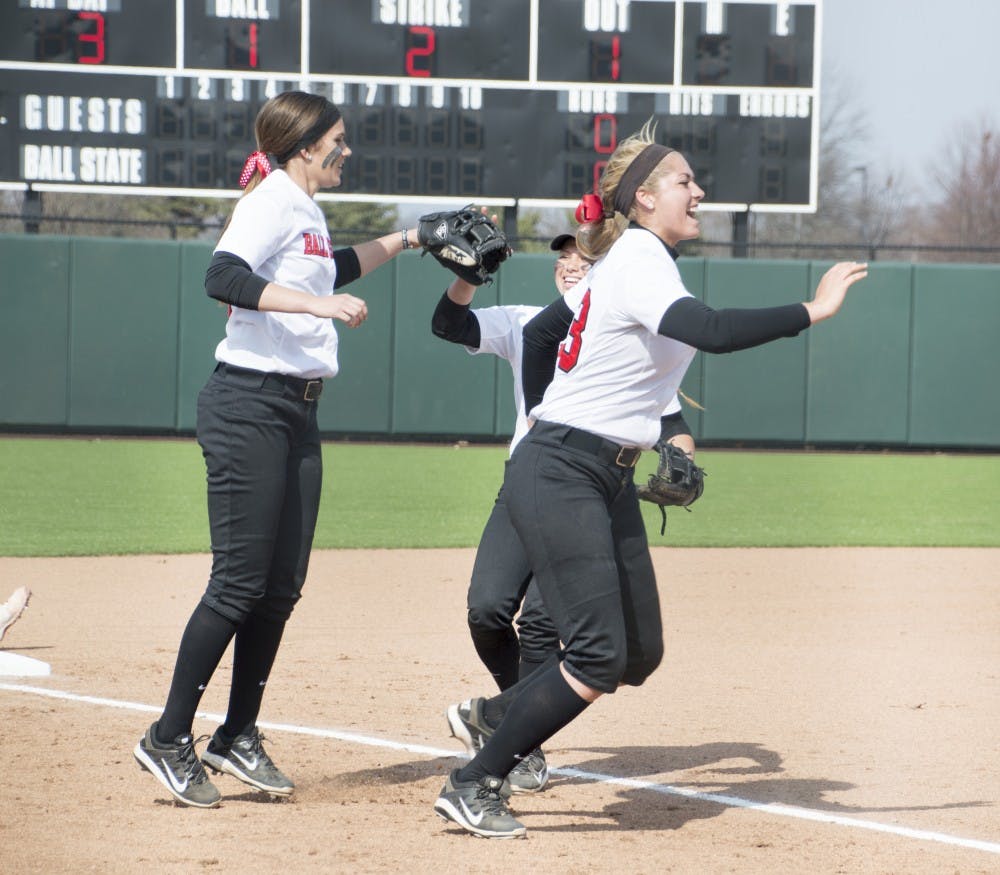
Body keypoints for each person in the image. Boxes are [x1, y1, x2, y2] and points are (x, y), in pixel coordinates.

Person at [433, 120, 867, 838]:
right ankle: (475, 780)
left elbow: (564, 340)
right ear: (641, 199)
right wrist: (812, 310)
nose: (698, 190)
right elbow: (716, 330)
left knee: (639, 652)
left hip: (602, 471)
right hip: (566, 464)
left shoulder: (636, 263)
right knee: (599, 654)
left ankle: (495, 713)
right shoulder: (637, 259)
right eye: (683, 181)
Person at [133, 90, 428, 809]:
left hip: (295, 412)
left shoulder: (305, 210)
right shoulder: (271, 198)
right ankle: (169, 736)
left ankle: (236, 733)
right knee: (238, 583)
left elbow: (335, 272)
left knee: (280, 587)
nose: (345, 150)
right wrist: (316, 305)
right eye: (338, 140)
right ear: (303, 146)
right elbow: (222, 276)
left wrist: (411, 238)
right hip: (248, 405)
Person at [431, 235, 696, 795]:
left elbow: (674, 424)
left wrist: (681, 455)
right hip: (528, 480)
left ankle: (517, 744)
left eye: (586, 258)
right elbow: (449, 325)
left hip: (590, 494)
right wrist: (469, 276)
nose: (572, 265)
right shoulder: (525, 321)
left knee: (546, 627)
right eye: (564, 256)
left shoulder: (627, 330)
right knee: (487, 609)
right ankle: (509, 717)